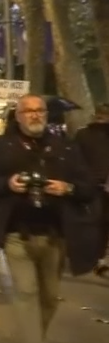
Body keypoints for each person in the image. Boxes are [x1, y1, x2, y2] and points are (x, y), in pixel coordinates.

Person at [0, 94, 98, 343]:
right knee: (27, 292)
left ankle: (34, 342)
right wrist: (8, 183)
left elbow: (87, 188)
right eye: (28, 111)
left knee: (49, 298)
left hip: (55, 237)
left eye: (39, 110)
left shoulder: (65, 148)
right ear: (17, 116)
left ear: (47, 115)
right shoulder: (0, 147)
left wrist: (66, 188)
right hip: (17, 235)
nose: (34, 115)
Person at [73, 103, 109, 276]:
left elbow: (74, 158)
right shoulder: (85, 134)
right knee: (101, 223)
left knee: (93, 222)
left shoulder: (82, 134)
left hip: (89, 184)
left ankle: (94, 257)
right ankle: (99, 257)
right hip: (98, 184)